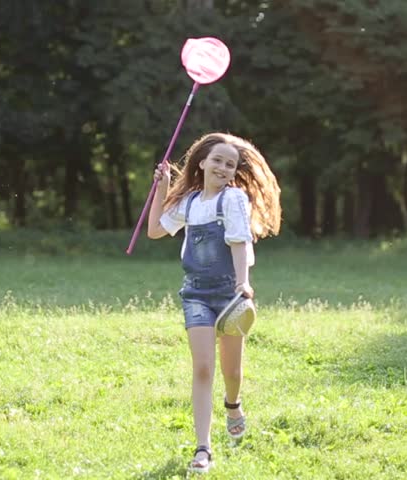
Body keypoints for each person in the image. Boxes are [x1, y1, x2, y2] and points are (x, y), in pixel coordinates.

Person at [147, 132, 282, 473]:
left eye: (230, 164)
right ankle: (203, 448)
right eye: (218, 160)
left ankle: (232, 404)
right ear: (203, 163)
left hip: (228, 294)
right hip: (195, 294)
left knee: (232, 372)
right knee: (203, 368)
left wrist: (243, 283)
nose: (223, 167)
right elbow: (155, 230)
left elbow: (239, 242)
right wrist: (162, 188)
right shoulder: (190, 203)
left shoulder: (233, 199)